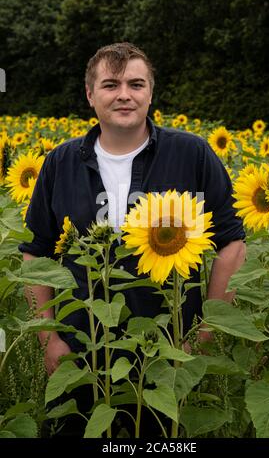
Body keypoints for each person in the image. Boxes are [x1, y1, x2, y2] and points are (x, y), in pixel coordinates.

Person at [19, 42, 246, 434]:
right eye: (111, 84)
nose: (124, 94)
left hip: (171, 352)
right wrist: (50, 339)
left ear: (150, 92)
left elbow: (232, 242)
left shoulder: (191, 154)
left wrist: (203, 334)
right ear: (90, 95)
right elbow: (34, 253)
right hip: (82, 355)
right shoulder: (60, 162)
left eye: (136, 84)